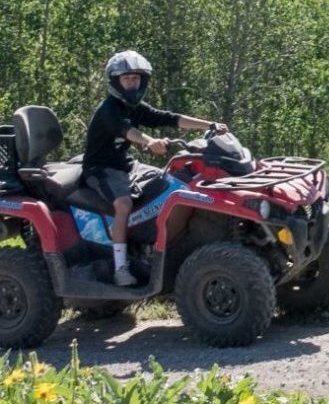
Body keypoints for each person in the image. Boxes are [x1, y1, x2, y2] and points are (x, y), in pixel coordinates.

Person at [82, 50, 225, 287]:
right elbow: (127, 131)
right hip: (101, 168)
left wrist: (209, 124)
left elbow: (169, 118)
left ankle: (147, 246)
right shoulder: (109, 109)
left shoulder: (135, 106)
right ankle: (120, 267)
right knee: (124, 204)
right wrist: (149, 141)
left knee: (165, 184)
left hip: (126, 164)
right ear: (116, 81)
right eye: (127, 79)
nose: (132, 83)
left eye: (136, 79)